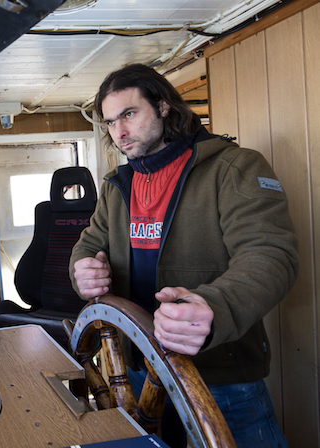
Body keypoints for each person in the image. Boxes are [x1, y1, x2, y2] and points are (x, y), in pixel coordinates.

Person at [69, 63, 298, 448]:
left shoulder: (235, 167)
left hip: (219, 372)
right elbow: (88, 245)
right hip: (137, 365)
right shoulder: (116, 186)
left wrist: (216, 306)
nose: (119, 132)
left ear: (162, 106)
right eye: (110, 122)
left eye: (129, 114)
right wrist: (83, 271)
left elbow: (271, 254)